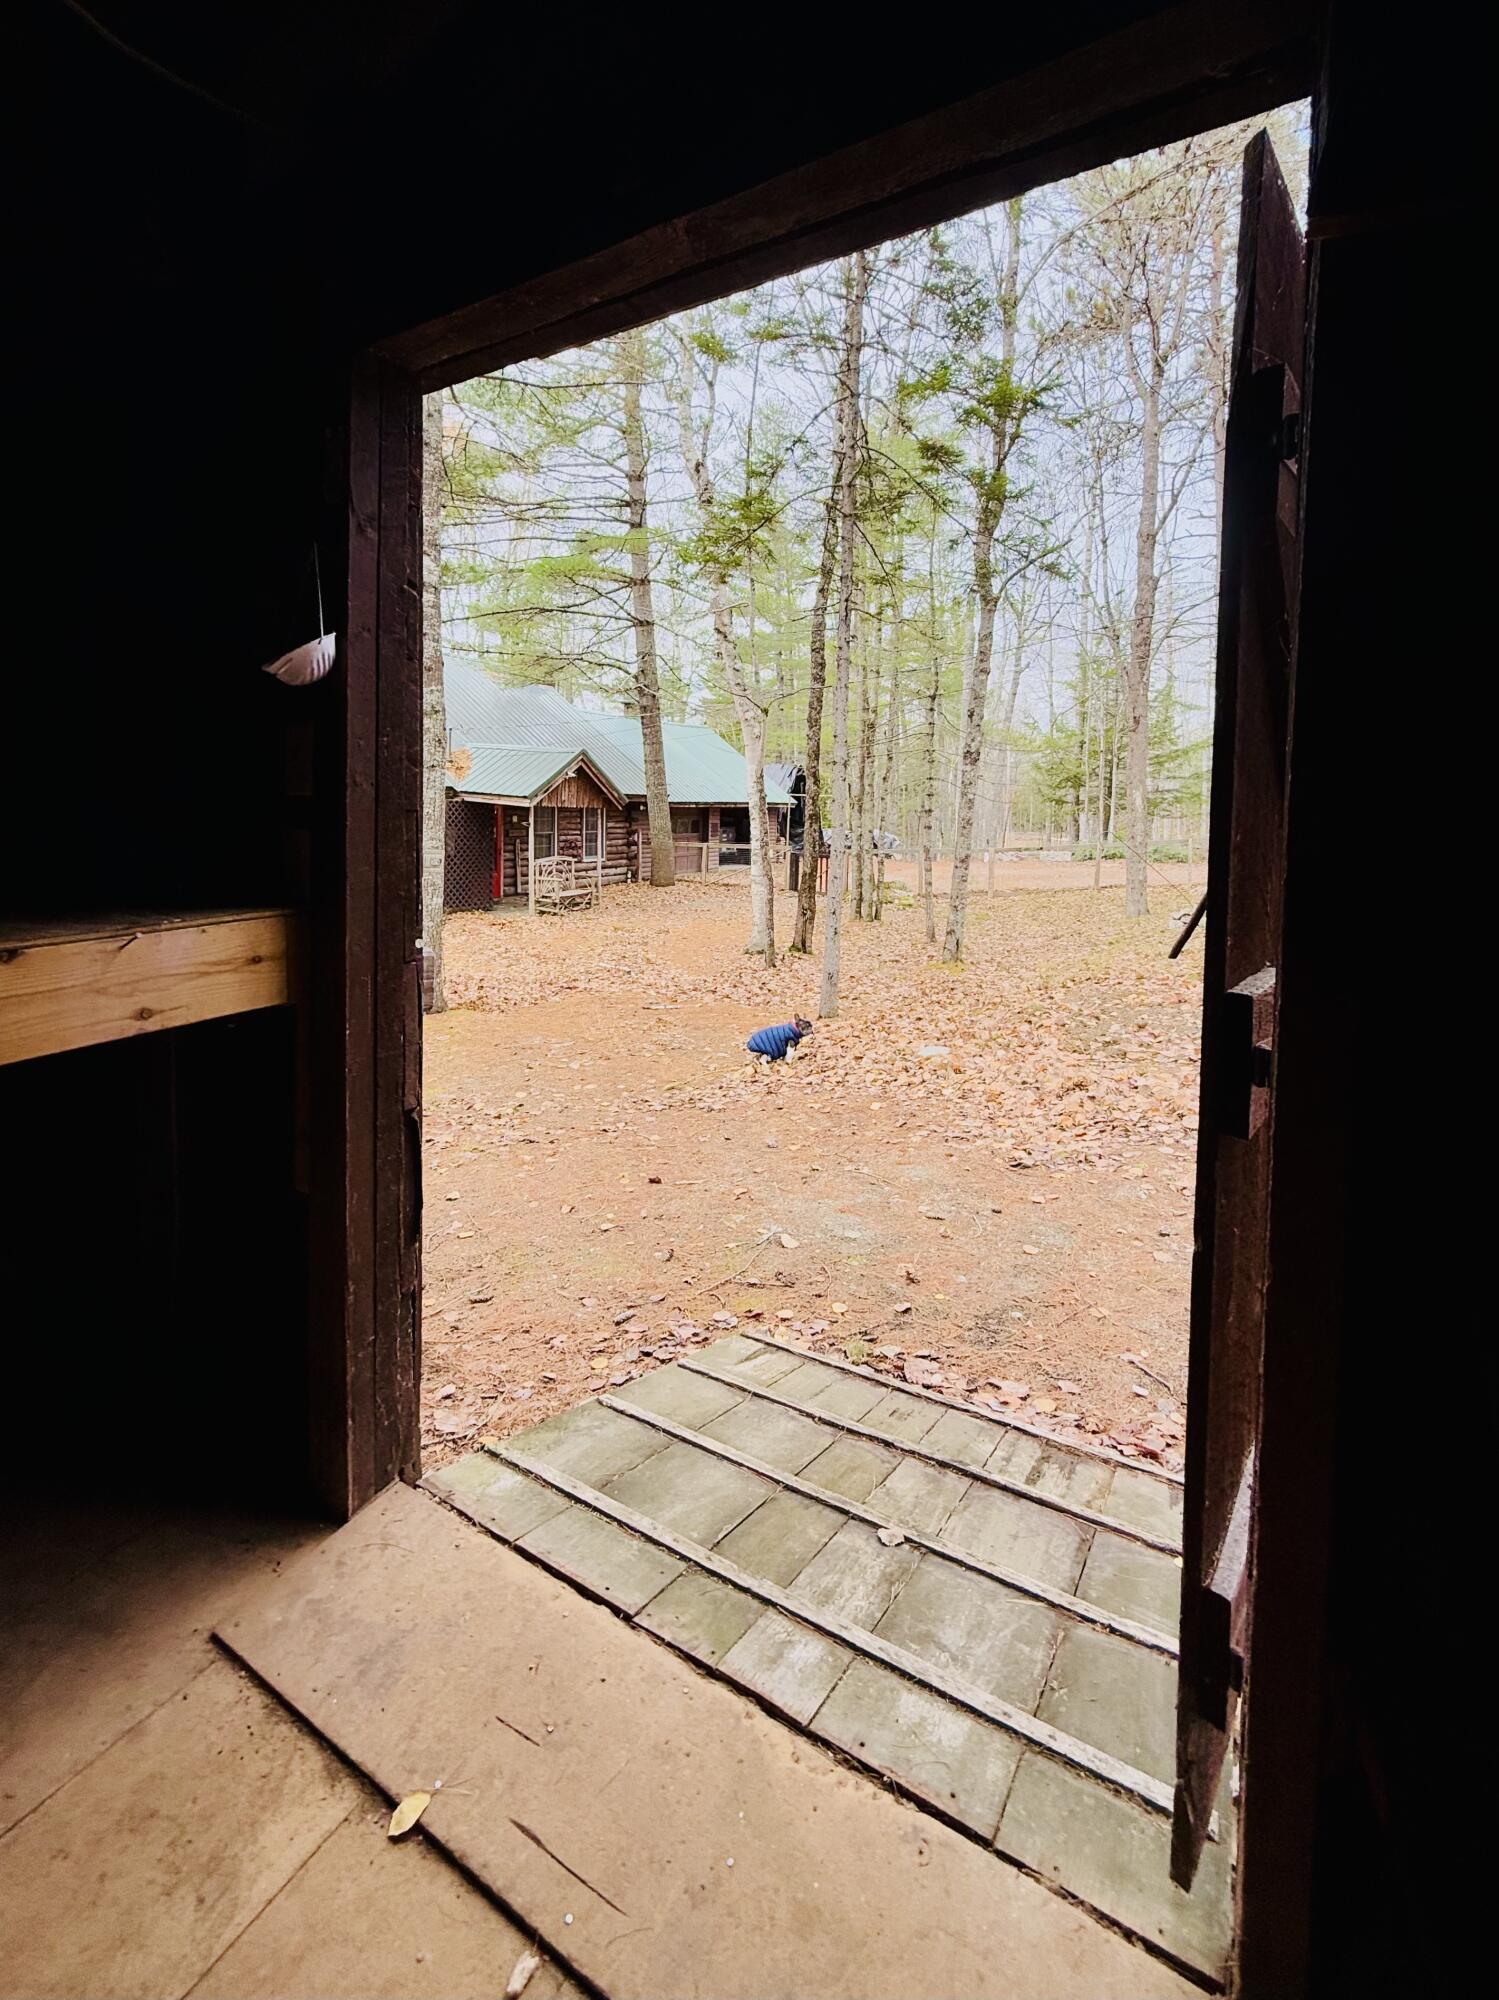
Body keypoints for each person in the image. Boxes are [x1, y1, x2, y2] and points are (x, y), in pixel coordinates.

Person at [746, 1016, 813, 1064]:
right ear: (799, 1027)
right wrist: (788, 1061)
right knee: (769, 1048)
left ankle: (762, 1059)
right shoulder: (791, 1035)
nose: (809, 1031)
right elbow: (790, 1049)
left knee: (768, 1050)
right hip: (763, 1040)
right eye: (806, 1028)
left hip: (759, 1039)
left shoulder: (787, 1029)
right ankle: (763, 1059)